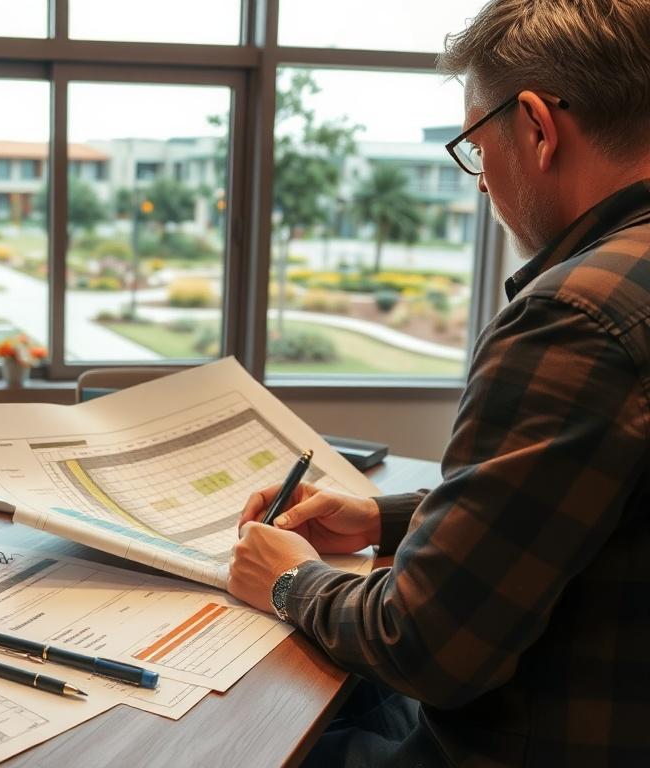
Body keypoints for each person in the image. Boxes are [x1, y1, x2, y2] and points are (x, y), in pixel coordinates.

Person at [228, 1, 650, 765]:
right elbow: (587, 497)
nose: (482, 183)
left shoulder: (575, 314)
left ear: (536, 127)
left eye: (475, 145)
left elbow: (424, 647)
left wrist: (289, 581)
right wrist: (381, 519)